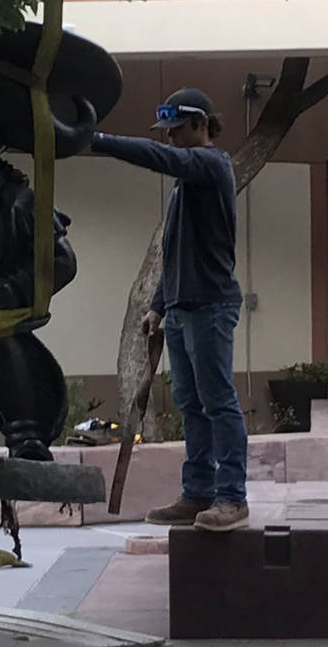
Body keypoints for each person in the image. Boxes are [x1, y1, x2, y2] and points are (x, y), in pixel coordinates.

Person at [91, 88, 249, 532]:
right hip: (182, 309)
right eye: (167, 133)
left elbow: (163, 160)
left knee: (218, 402)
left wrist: (97, 140)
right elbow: (176, 251)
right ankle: (197, 492)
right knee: (192, 405)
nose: (171, 140)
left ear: (202, 125)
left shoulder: (211, 166)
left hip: (211, 306)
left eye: (178, 131)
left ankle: (232, 498)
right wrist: (159, 305)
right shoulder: (185, 188)